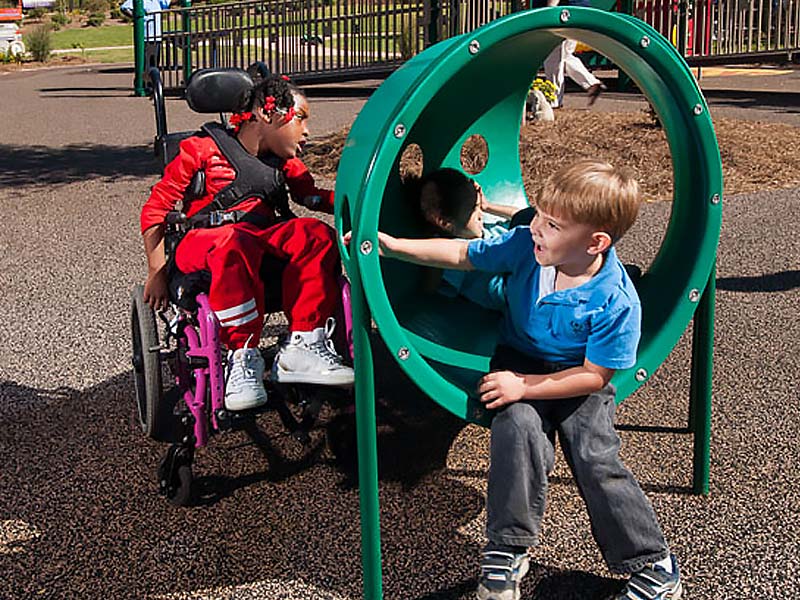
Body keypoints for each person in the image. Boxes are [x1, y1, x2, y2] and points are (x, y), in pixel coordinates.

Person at [377, 159, 682, 600]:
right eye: (538, 214)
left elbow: (595, 377)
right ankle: (506, 549)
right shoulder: (526, 247)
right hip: (519, 355)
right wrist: (391, 246)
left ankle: (653, 564)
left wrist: (525, 386)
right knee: (517, 429)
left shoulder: (615, 301)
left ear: (595, 243)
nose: (536, 227)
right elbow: (463, 254)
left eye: (552, 224)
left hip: (579, 376)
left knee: (595, 456)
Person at [140, 69, 354, 412]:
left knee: (315, 234)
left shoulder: (286, 163)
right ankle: (241, 357)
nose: (307, 131)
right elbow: (156, 209)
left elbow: (311, 197)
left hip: (258, 238)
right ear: (268, 114)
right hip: (204, 240)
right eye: (300, 119)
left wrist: (355, 202)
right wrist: (157, 271)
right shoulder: (200, 150)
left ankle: (304, 343)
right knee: (233, 242)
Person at [405, 167, 531, 310]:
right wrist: (431, 243)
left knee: (530, 219)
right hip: (521, 294)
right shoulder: (454, 253)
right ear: (445, 223)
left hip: (534, 259)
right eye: (474, 208)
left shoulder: (490, 227)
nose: (480, 214)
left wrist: (488, 206)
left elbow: (520, 216)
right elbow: (429, 288)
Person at [531, 0, 607, 108]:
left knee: (553, 57)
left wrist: (549, 11)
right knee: (564, 57)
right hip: (574, 14)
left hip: (562, 16)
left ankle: (554, 100)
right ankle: (592, 84)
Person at [120, 0, 172, 68]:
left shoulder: (157, 1)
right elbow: (124, 8)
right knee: (147, 65)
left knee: (155, 64)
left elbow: (170, 2)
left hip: (157, 37)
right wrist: (137, 18)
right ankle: (145, 78)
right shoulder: (141, 1)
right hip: (146, 37)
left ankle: (151, 77)